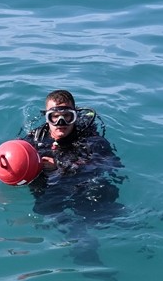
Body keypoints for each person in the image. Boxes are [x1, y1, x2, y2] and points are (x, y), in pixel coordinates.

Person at [16, 89, 125, 270]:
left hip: (84, 184)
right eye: (54, 117)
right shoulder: (33, 140)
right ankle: (85, 251)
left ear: (75, 116)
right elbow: (14, 161)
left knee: (99, 212)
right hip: (52, 187)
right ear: (46, 118)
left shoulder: (90, 139)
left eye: (67, 116)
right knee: (50, 212)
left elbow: (110, 164)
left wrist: (60, 167)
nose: (61, 123)